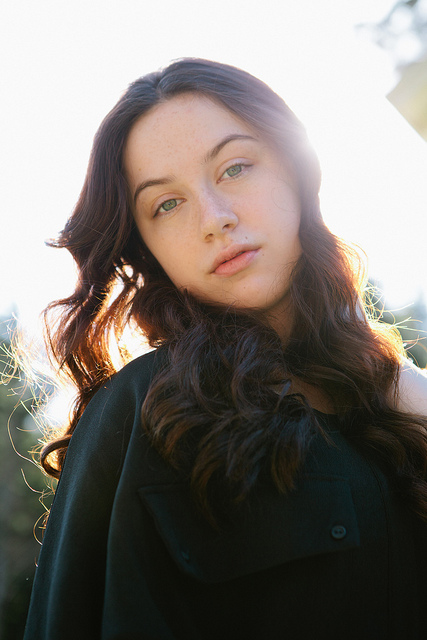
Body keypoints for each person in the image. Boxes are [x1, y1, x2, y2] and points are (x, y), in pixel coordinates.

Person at [24, 58, 427, 640]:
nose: (215, 218)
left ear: (296, 170)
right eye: (167, 204)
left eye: (235, 167)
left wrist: (393, 382)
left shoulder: (396, 397)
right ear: (148, 251)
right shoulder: (149, 409)